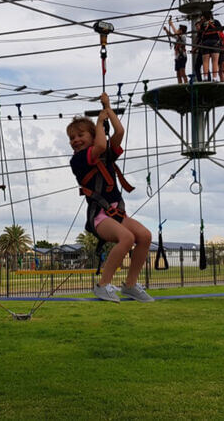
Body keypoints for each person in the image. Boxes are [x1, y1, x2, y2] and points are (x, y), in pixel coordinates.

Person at [67, 92, 154, 303]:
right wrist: (99, 120)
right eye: (72, 138)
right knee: (127, 238)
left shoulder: (106, 155)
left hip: (116, 212)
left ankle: (131, 285)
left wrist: (108, 107)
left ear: (93, 135)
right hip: (99, 216)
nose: (76, 141)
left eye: (80, 136)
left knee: (145, 236)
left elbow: (119, 131)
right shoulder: (78, 160)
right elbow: (99, 146)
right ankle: (102, 285)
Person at [163, 17, 188, 84]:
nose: (178, 30)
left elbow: (175, 33)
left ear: (181, 31)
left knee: (182, 72)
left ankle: (186, 83)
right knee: (178, 74)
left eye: (179, 29)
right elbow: (171, 35)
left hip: (182, 56)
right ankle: (180, 84)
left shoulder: (183, 36)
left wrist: (171, 24)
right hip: (177, 57)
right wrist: (166, 30)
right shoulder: (178, 37)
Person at [200, 11, 221, 81]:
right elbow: (220, 31)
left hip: (205, 43)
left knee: (205, 61)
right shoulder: (216, 22)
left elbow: (201, 34)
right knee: (215, 61)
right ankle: (214, 77)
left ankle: (205, 77)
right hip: (215, 42)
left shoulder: (203, 24)